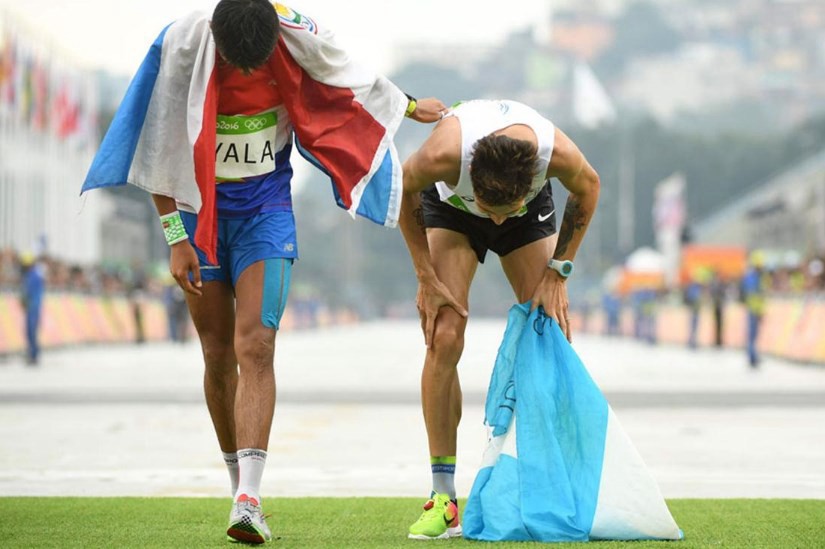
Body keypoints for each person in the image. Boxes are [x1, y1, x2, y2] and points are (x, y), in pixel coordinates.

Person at [82, 0, 446, 543]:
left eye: (257, 63)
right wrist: (176, 239)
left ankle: (249, 499)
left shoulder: (295, 33)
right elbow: (159, 146)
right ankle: (237, 487)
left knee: (256, 346)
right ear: (218, 40)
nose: (248, 72)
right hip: (195, 209)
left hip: (266, 211)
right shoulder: (183, 45)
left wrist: (409, 105)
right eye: (237, 62)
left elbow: (347, 72)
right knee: (215, 351)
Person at [397, 99, 600, 540]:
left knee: (546, 332)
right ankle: (443, 497)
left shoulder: (554, 152)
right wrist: (424, 275)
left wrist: (558, 271)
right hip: (452, 213)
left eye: (501, 210)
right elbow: (401, 187)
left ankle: (548, 486)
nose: (495, 220)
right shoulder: (441, 155)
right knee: (444, 335)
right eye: (489, 208)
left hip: (529, 217)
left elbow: (589, 187)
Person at [741, 251, 768, 368]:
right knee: (752, 334)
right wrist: (759, 310)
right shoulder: (754, 277)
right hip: (754, 310)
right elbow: (755, 295)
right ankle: (752, 357)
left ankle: (753, 356)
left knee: (753, 334)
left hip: (753, 309)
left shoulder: (752, 277)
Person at [19, 252, 45, 366]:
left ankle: (33, 354)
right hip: (32, 306)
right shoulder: (32, 275)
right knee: (30, 331)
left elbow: (29, 292)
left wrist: (25, 301)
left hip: (33, 307)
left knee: (31, 331)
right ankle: (32, 353)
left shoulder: (33, 276)